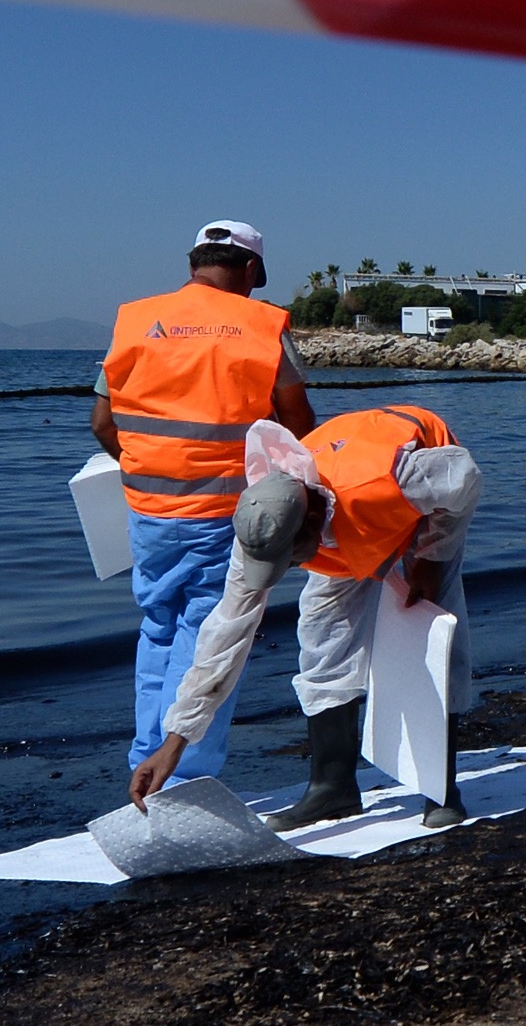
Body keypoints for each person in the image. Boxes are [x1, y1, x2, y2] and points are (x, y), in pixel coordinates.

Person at [130, 404, 483, 816]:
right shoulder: (260, 524)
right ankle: (333, 788)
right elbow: (225, 634)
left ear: (314, 519)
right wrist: (175, 741)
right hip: (352, 523)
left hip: (418, 501)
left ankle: (441, 789)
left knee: (433, 638)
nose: (289, 569)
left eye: (292, 557)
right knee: (322, 643)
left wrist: (432, 557)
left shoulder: (386, 481)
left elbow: (464, 479)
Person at [96, 220, 316, 792]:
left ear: (193, 263)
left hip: (148, 511)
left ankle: (145, 762)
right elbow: (298, 430)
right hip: (224, 514)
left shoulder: (136, 320)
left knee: (159, 630)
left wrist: (152, 469)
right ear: (251, 269)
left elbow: (102, 423)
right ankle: (183, 780)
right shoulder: (261, 327)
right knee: (210, 638)